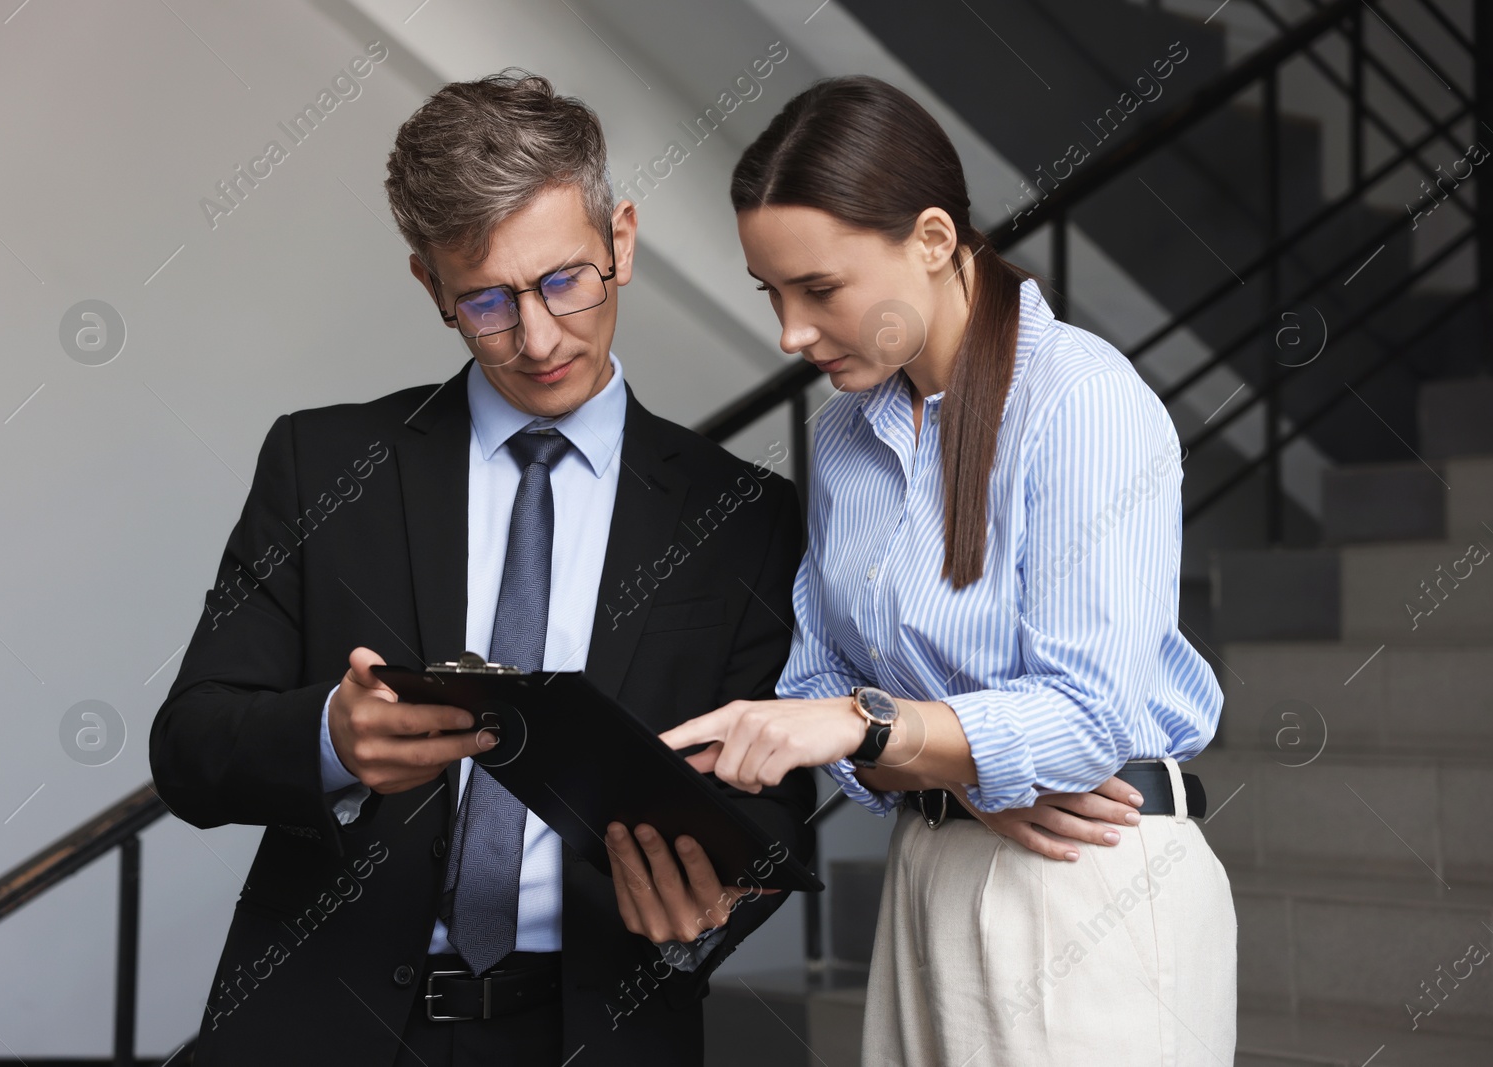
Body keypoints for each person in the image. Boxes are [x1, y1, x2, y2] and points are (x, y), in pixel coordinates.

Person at [148, 71, 824, 1067]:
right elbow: (190, 746)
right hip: (322, 1030)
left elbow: (771, 806)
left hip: (599, 1028)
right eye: (487, 300)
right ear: (430, 286)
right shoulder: (322, 464)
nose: (540, 336)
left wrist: (715, 902)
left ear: (622, 241)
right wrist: (329, 738)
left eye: (564, 280)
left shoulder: (745, 515)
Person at [661, 75, 1237, 1066]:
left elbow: (1089, 712)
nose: (790, 335)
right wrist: (946, 762)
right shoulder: (844, 433)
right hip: (930, 867)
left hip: (1086, 875)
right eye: (773, 293)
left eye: (820, 290)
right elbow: (812, 680)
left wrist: (882, 725)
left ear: (933, 239)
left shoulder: (1082, 402)